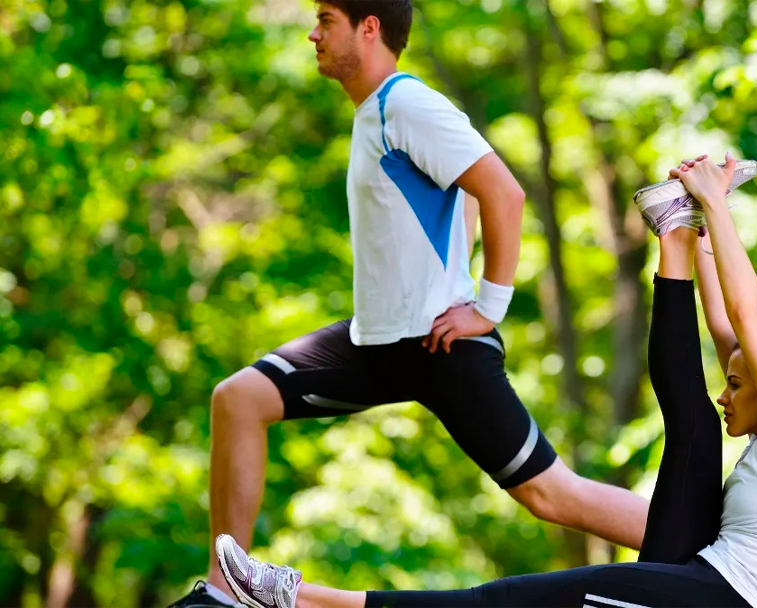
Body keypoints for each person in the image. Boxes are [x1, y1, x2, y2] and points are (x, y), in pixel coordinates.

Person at [208, 153, 757, 608]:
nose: (727, 391)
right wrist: (702, 228)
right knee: (690, 419)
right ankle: (673, 234)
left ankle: (294, 599)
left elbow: (747, 319)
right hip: (702, 568)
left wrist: (717, 202)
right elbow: (723, 325)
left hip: (727, 600)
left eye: (739, 385)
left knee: (509, 602)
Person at [168, 2, 655, 607]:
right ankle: (227, 590)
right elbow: (463, 199)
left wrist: (485, 307)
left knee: (549, 494)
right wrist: (452, 270)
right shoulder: (373, 113)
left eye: (327, 20)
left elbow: (503, 193)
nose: (313, 34)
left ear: (369, 28)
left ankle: (705, 549)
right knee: (239, 399)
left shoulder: (407, 104)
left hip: (438, 345)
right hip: (374, 342)